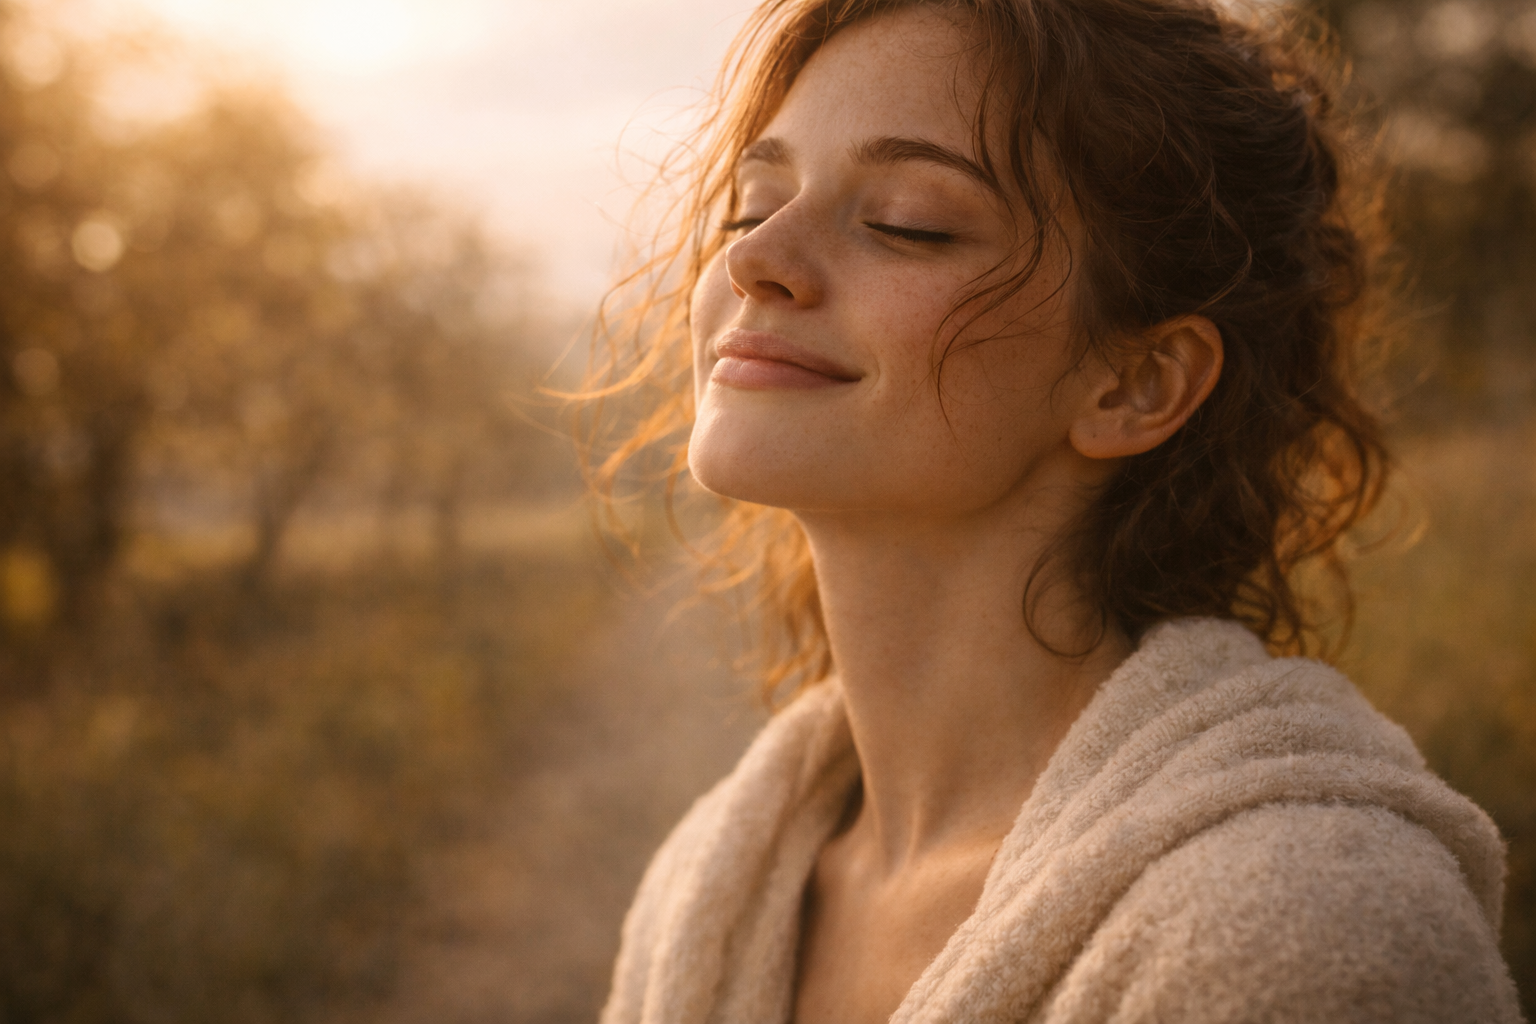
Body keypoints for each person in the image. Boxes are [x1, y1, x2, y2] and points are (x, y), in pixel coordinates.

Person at [584, 1, 1522, 1021]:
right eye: (751, 204)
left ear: (1138, 382)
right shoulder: (704, 886)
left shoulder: (1313, 939)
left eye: (908, 222)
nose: (756, 257)